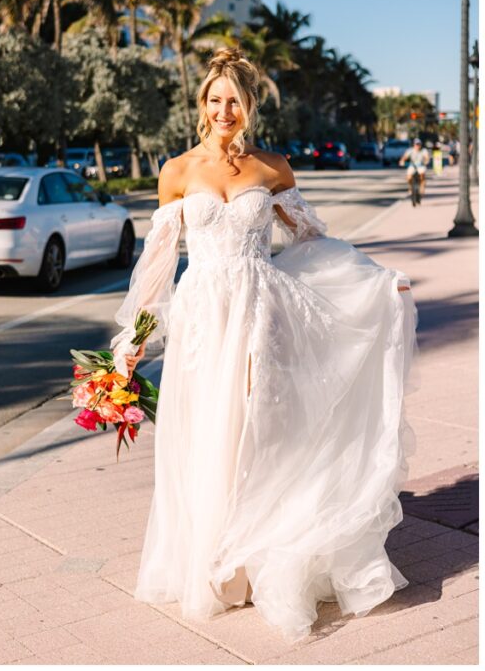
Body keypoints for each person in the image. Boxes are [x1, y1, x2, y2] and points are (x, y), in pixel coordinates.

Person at [110, 49, 418, 641]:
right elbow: (155, 268)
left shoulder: (273, 169)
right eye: (214, 99)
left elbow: (313, 241)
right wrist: (136, 336)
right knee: (209, 437)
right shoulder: (176, 172)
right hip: (202, 323)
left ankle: (256, 560)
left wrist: (374, 282)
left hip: (261, 315)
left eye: (235, 100)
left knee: (259, 434)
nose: (224, 109)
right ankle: (216, 567)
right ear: (202, 104)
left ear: (249, 107)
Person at [400, 138, 429, 206]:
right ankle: (410, 187)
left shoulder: (423, 150)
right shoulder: (410, 150)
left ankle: (422, 187)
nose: (417, 146)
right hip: (412, 165)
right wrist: (402, 161)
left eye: (419, 144)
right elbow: (405, 157)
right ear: (414, 145)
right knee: (409, 176)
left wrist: (426, 161)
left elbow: (426, 157)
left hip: (421, 165)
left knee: (422, 174)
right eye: (416, 144)